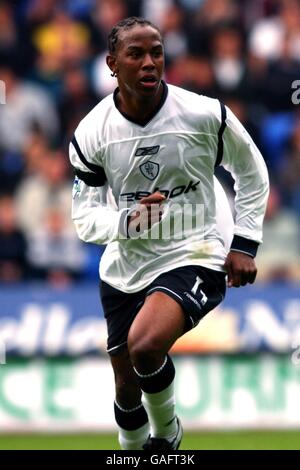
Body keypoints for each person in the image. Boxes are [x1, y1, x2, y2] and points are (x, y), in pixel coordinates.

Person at [69, 17, 269, 450]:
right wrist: (126, 222)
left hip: (194, 247)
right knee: (125, 390)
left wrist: (245, 243)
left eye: (156, 52)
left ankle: (168, 438)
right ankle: (133, 452)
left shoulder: (203, 114)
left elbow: (252, 172)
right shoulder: (92, 133)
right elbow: (83, 217)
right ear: (111, 64)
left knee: (145, 346)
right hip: (126, 263)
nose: (149, 62)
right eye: (135, 54)